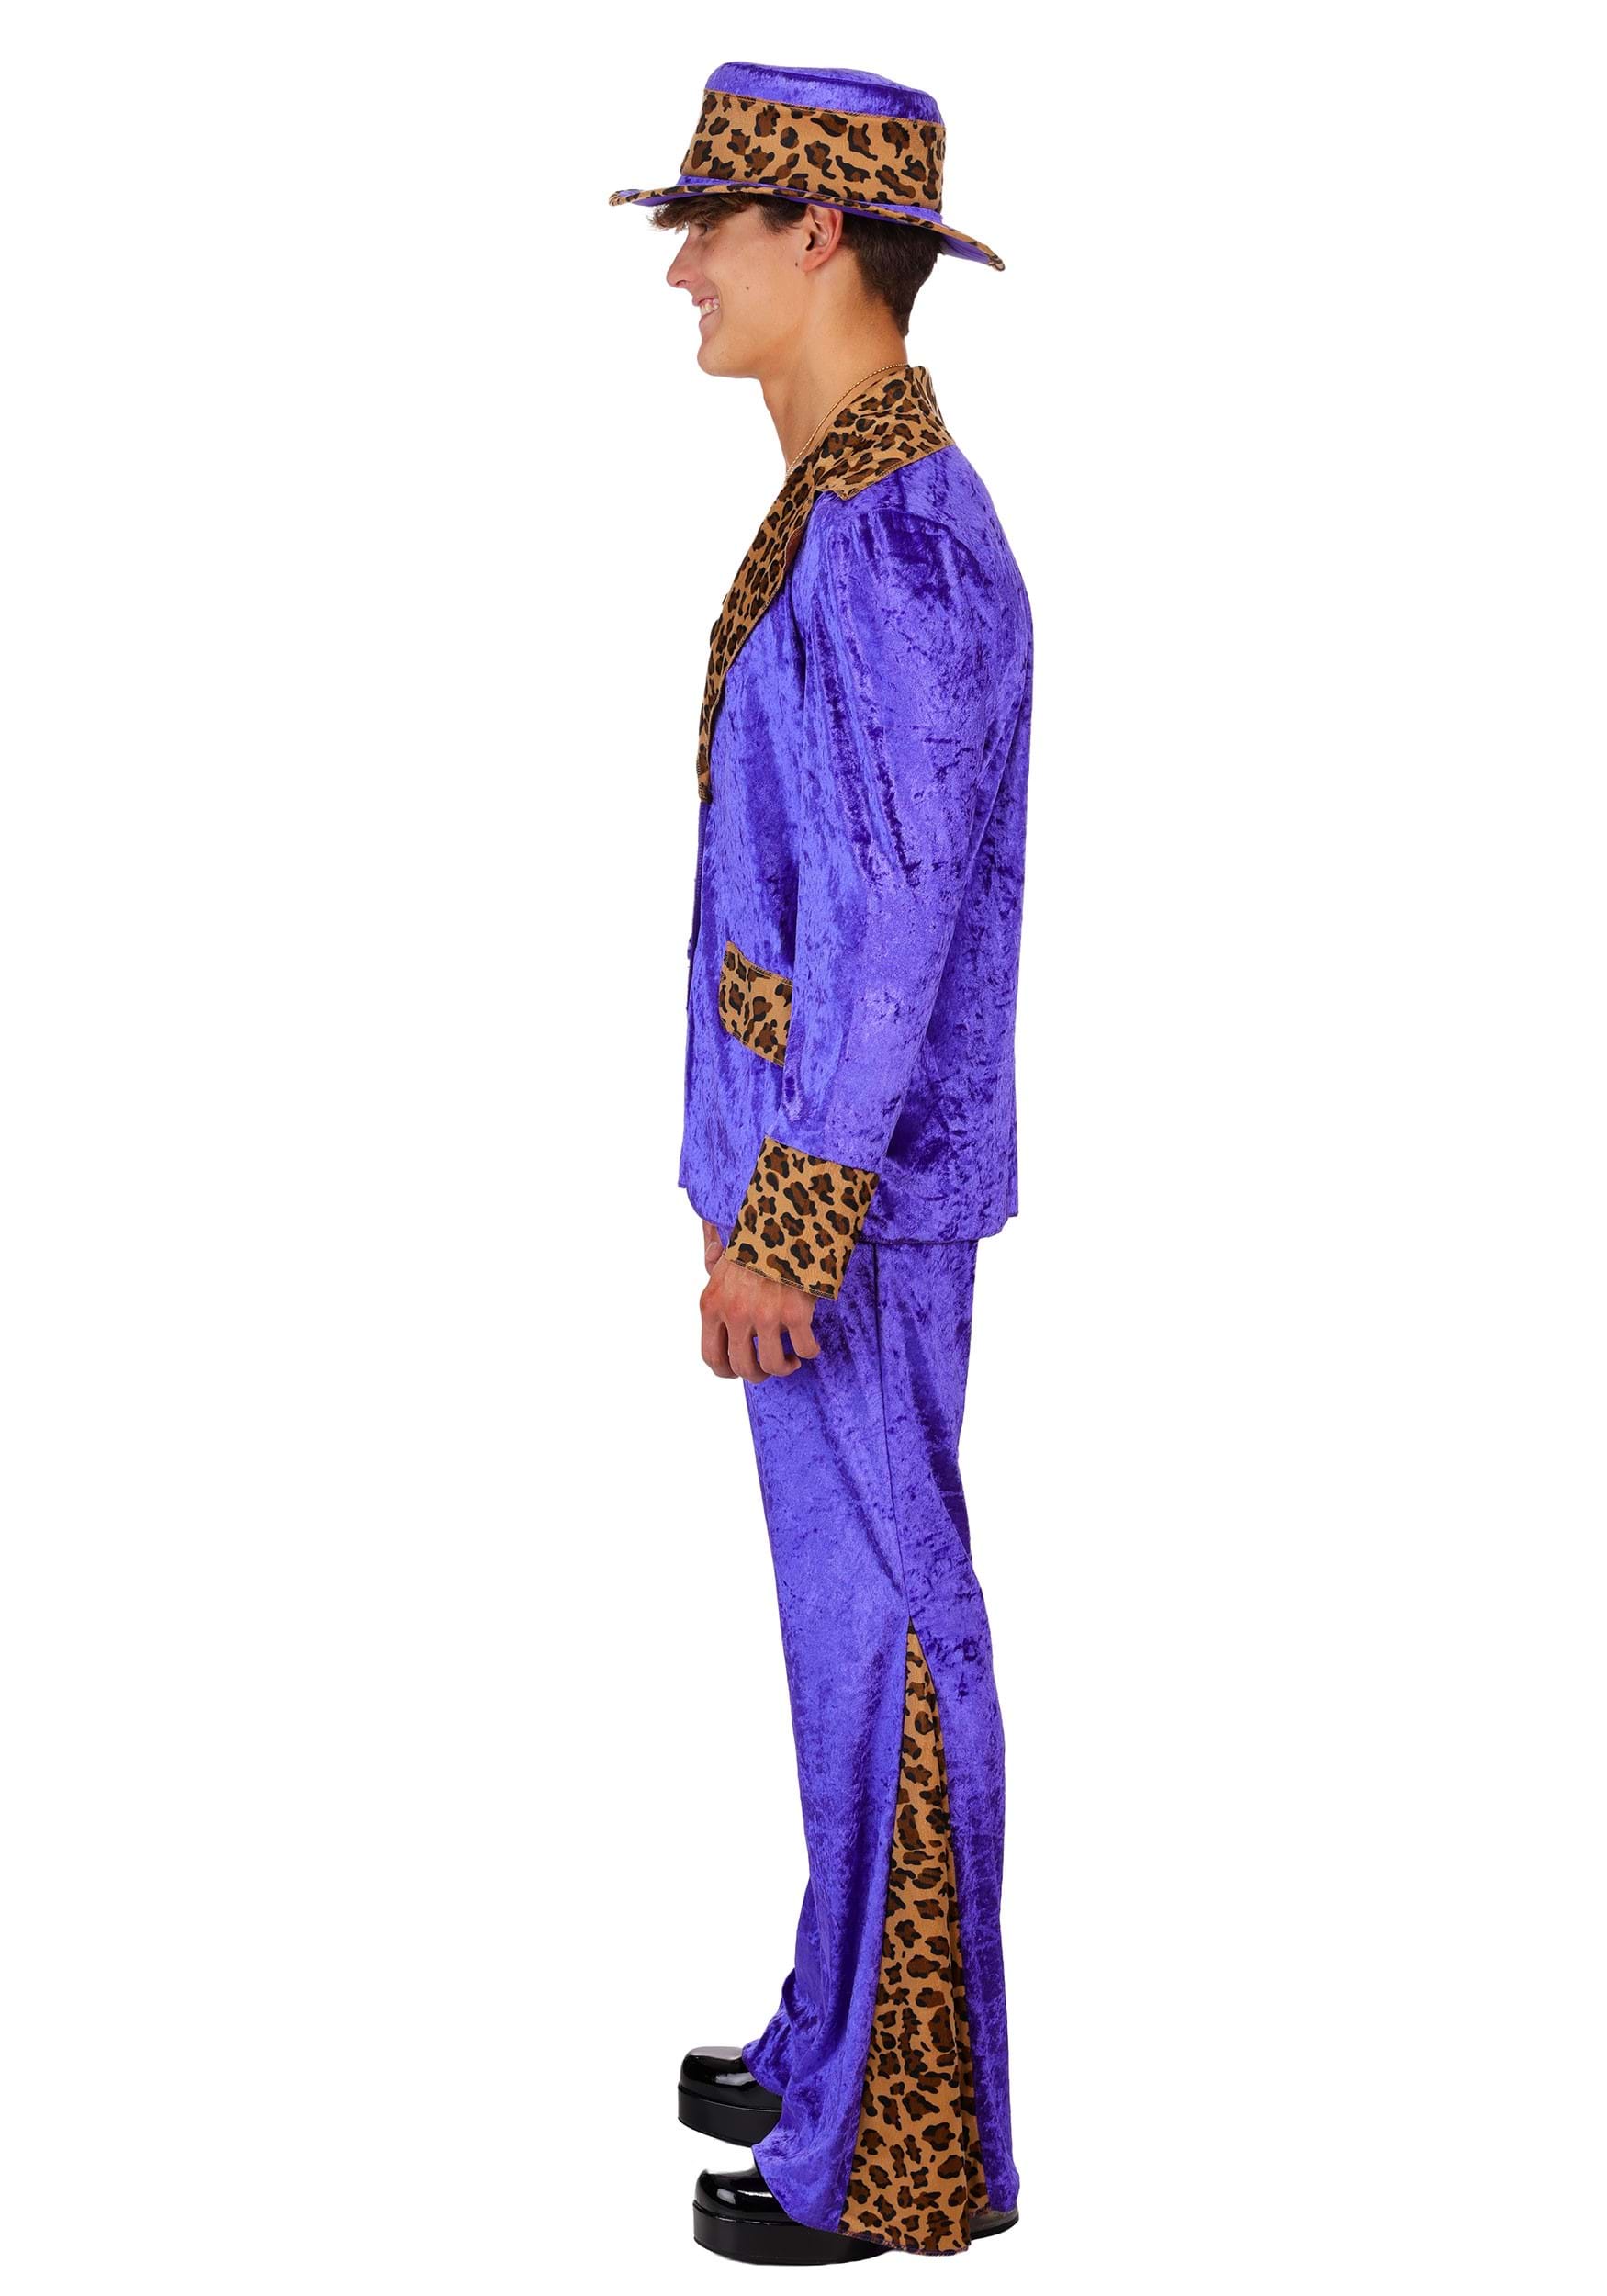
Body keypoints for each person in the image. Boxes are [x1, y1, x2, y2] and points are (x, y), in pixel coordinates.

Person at [609, 61, 1033, 2264]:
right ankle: (835, 2030)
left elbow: (887, 924)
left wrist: (786, 1222)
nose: (680, 264)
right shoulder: (834, 508)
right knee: (840, 1644)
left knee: (893, 1644)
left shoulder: (899, 546)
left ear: (814, 238)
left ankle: (899, 2147)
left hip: (847, 1214)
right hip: (807, 1189)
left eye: (712, 220)